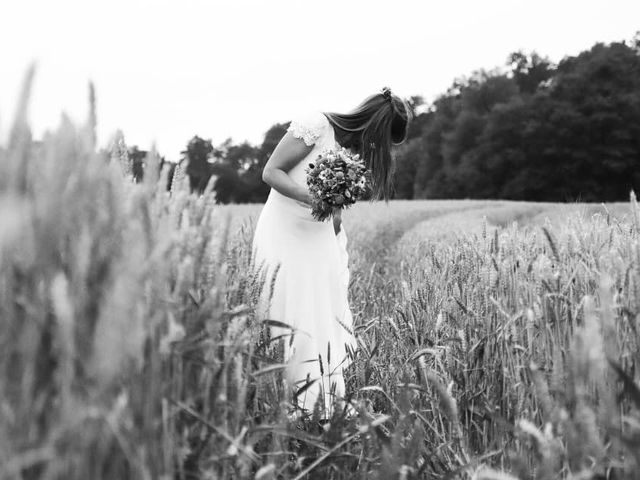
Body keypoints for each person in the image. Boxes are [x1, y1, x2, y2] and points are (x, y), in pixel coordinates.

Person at [252, 87, 412, 418]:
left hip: (318, 237)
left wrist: (336, 212)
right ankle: (277, 398)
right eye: (382, 141)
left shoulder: (347, 152)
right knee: (284, 306)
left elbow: (333, 209)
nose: (376, 149)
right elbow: (271, 173)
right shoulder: (317, 126)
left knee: (318, 310)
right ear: (375, 126)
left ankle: (315, 402)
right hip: (283, 231)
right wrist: (315, 198)